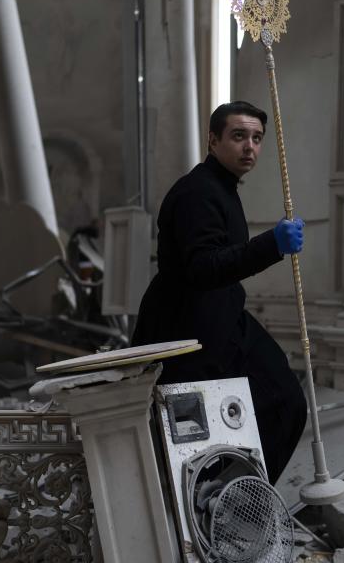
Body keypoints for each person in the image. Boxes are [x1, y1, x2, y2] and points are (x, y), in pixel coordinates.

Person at [131, 100, 308, 484]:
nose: (250, 147)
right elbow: (204, 267)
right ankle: (216, 505)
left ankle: (237, 499)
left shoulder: (221, 187)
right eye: (239, 136)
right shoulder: (198, 192)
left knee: (284, 403)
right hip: (187, 330)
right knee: (206, 435)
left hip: (221, 318)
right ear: (213, 140)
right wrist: (272, 245)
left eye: (258, 138)